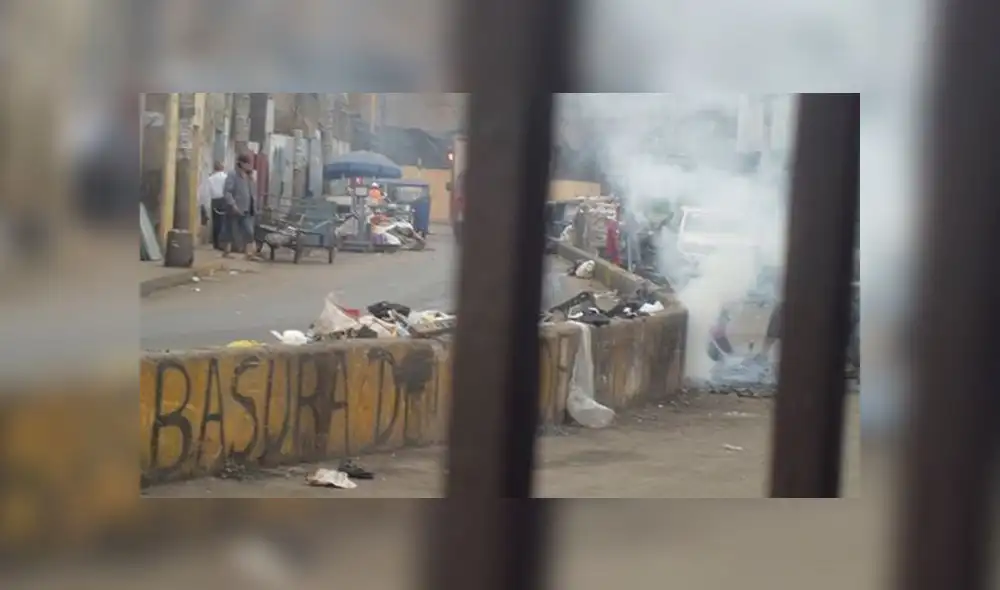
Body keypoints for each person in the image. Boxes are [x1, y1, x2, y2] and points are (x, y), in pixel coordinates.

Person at [221, 153, 261, 260]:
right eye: (247, 163)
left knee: (249, 231)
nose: (249, 166)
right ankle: (226, 251)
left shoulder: (249, 177)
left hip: (247, 208)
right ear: (241, 163)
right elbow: (227, 192)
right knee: (229, 230)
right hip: (234, 208)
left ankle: (249, 253)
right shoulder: (233, 175)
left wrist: (255, 206)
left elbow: (253, 192)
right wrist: (232, 204)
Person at [198, 161, 228, 250]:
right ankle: (222, 242)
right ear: (222, 168)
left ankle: (216, 243)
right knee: (223, 222)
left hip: (215, 201)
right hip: (224, 200)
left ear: (214, 168)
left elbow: (206, 192)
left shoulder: (210, 179)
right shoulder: (226, 178)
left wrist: (204, 204)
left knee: (216, 222)